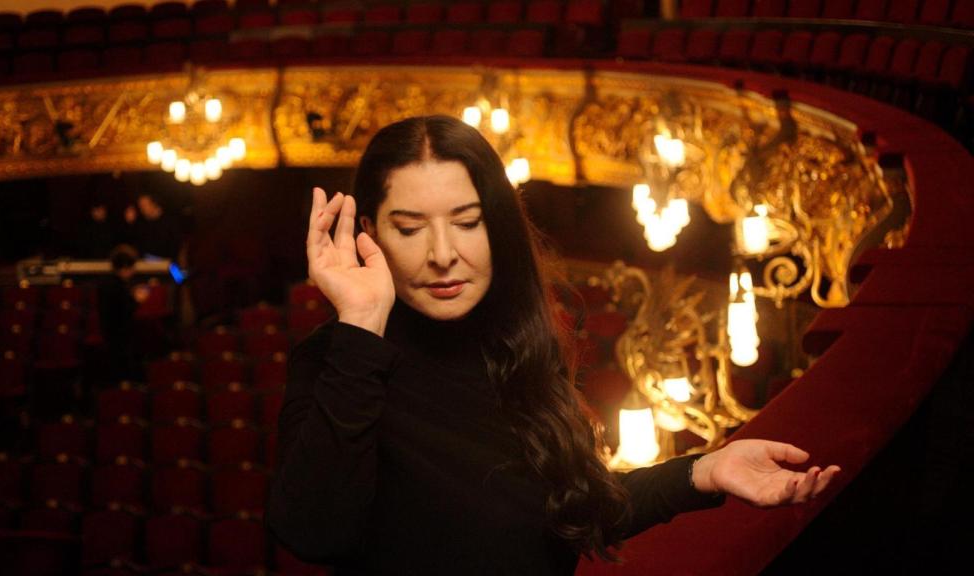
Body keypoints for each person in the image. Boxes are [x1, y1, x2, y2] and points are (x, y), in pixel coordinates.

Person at [265, 116, 840, 575]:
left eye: (467, 222)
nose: (442, 254)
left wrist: (705, 471)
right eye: (410, 229)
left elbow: (572, 511)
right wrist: (361, 325)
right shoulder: (341, 355)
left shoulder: (517, 339)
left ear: (498, 225)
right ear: (370, 232)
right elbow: (314, 533)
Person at [97, 244, 149, 383]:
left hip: (108, 335)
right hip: (120, 337)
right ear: (126, 266)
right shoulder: (117, 286)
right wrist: (136, 300)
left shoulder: (105, 283)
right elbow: (124, 312)